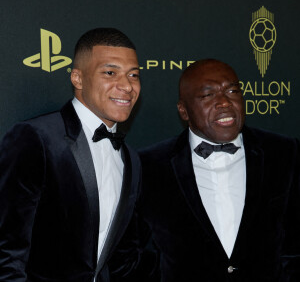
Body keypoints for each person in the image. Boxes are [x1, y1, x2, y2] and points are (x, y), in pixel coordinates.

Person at [138, 59, 300, 281]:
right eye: (208, 95)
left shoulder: (284, 153)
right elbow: (133, 252)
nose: (224, 102)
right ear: (183, 111)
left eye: (232, 90)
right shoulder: (150, 166)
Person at [0, 28, 141, 282]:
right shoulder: (37, 138)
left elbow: (122, 256)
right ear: (77, 78)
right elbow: (7, 249)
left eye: (133, 75)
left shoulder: (131, 158)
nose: (127, 86)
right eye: (110, 73)